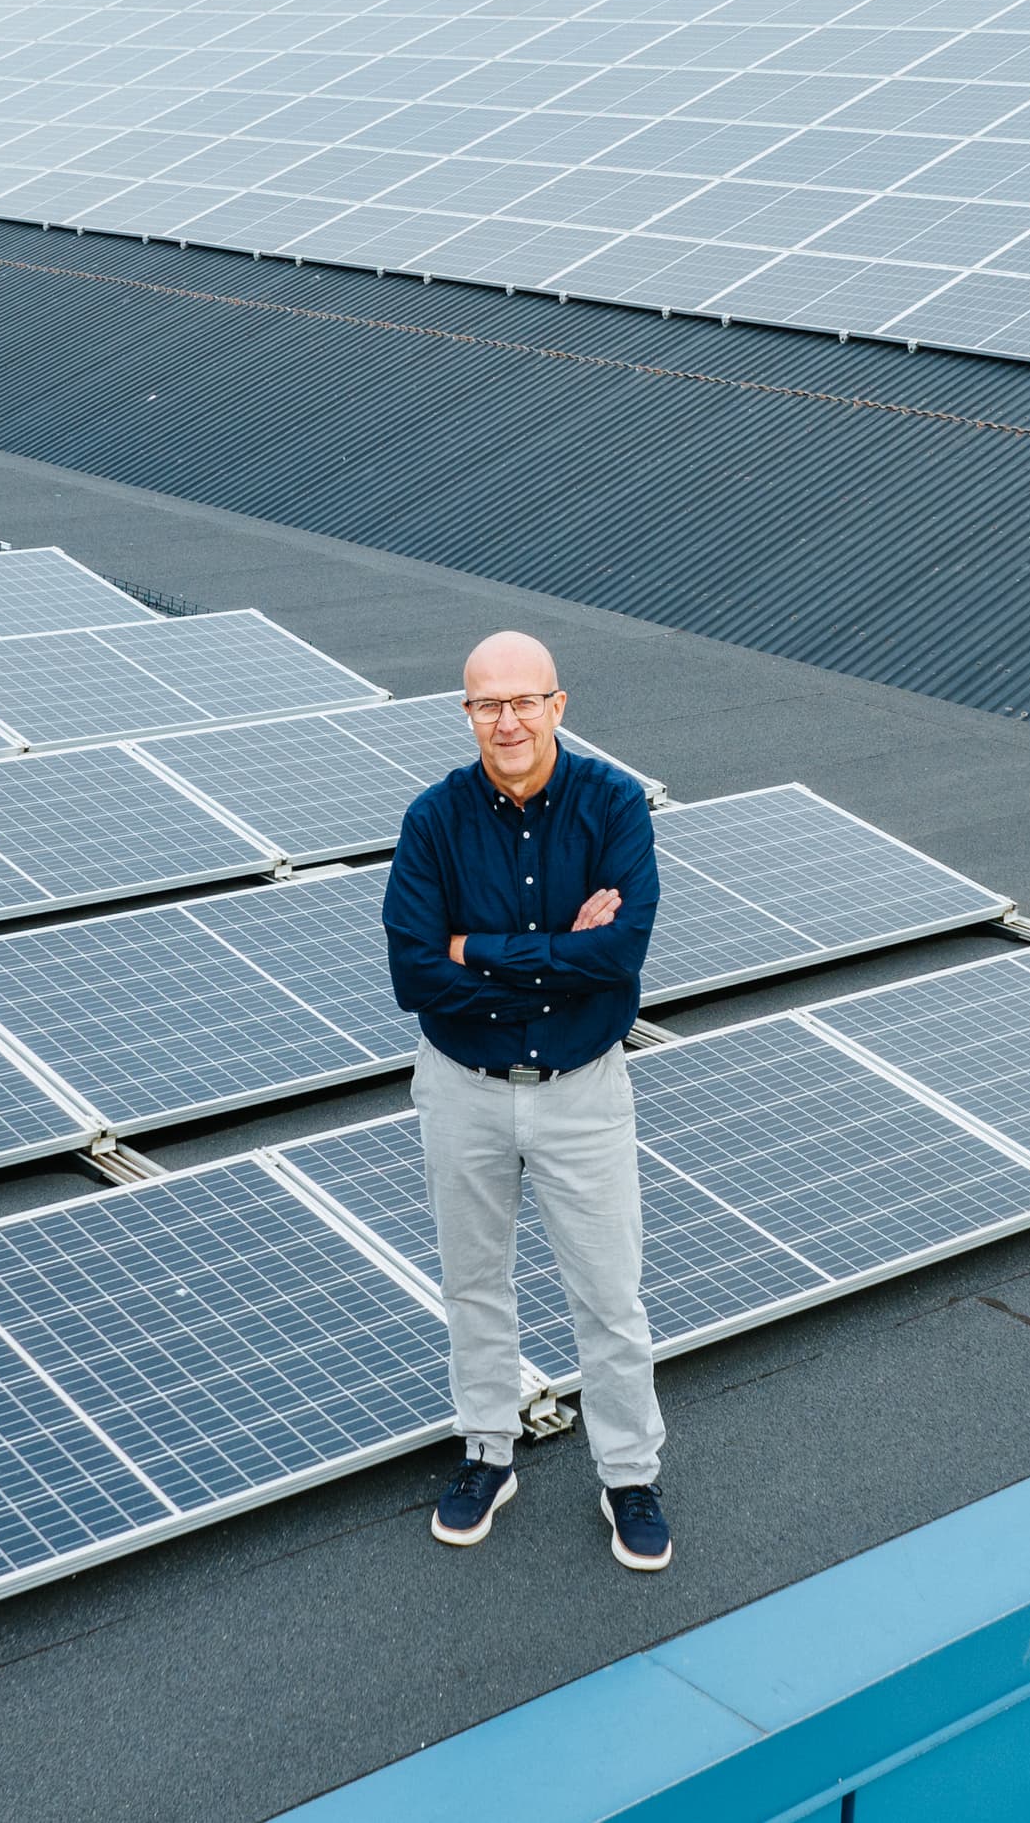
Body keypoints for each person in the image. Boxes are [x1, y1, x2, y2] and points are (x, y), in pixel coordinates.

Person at [380, 630, 671, 1571]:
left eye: (523, 702)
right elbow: (416, 976)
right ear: (467, 713)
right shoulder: (434, 820)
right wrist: (557, 962)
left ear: (557, 705)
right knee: (473, 1284)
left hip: (582, 1092)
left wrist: (477, 949)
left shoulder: (612, 804)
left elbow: (619, 956)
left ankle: (628, 1474)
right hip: (462, 1090)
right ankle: (487, 1451)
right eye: (486, 704)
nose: (506, 722)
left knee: (609, 1296)